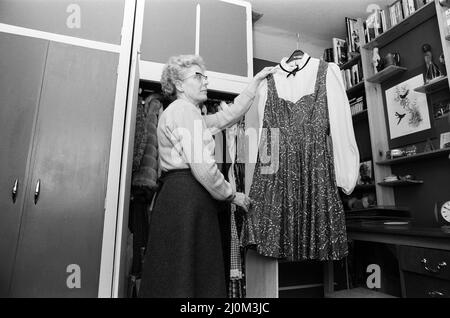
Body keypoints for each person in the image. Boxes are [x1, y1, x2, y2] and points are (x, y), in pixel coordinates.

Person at [138, 54, 276, 298]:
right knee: (190, 277)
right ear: (180, 85)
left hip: (179, 197)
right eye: (198, 76)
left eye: (205, 76)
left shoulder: (188, 114)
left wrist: (254, 84)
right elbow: (203, 167)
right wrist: (232, 195)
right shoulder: (184, 110)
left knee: (178, 276)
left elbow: (227, 116)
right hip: (187, 198)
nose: (205, 81)